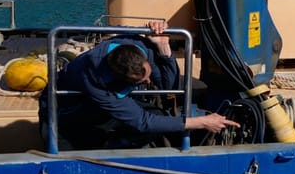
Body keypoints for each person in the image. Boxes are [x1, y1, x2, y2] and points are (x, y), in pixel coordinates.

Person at [39, 21, 239, 150]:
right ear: (120, 78)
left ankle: (117, 145)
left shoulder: (139, 46)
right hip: (66, 110)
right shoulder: (95, 78)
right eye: (140, 82)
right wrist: (202, 122)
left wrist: (163, 49)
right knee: (72, 152)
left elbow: (169, 86)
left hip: (102, 108)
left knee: (159, 117)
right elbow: (142, 122)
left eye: (147, 75)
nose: (147, 82)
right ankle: (110, 150)